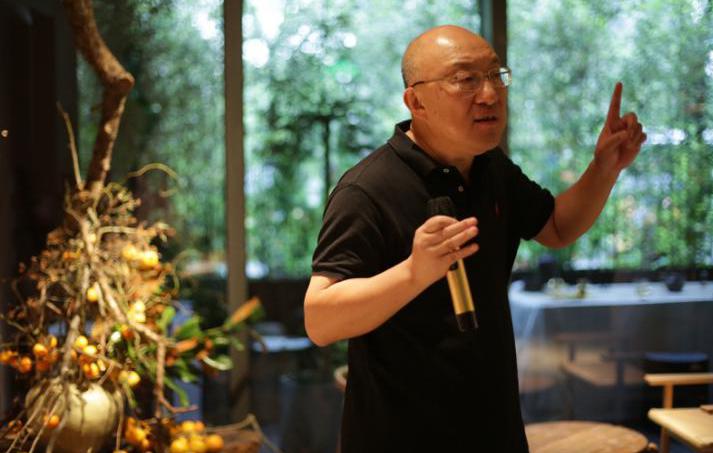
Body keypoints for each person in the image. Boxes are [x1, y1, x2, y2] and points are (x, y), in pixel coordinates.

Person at [304, 24, 646, 452]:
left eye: (494, 75)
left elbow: (557, 227)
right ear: (416, 101)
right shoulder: (367, 189)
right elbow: (320, 320)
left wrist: (605, 168)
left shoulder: (490, 167)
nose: (489, 94)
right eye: (465, 79)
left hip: (494, 429)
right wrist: (413, 272)